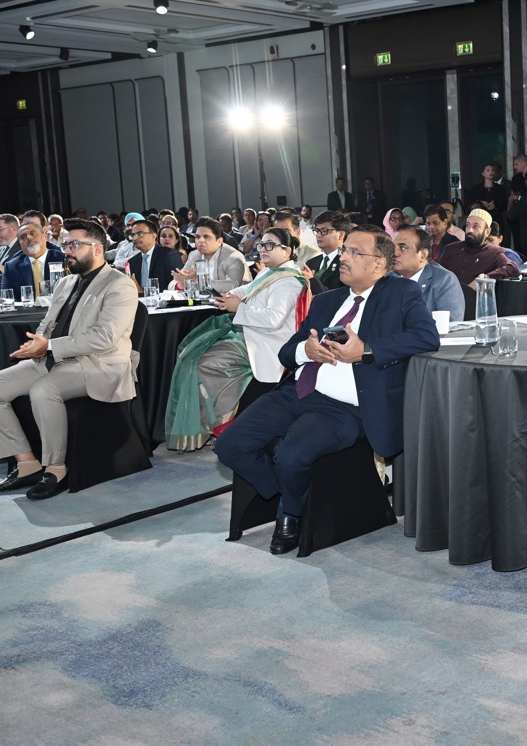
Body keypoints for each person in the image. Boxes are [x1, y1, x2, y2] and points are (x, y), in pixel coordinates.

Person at [214, 225, 440, 555]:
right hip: (298, 392)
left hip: (345, 407)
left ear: (379, 263)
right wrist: (305, 350)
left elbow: (426, 337)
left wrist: (365, 351)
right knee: (230, 445)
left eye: (354, 252)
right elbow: (287, 351)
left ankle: (289, 514)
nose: (343, 257)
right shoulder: (326, 300)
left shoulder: (401, 293)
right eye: (345, 249)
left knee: (290, 454)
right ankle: (290, 494)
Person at [0, 219, 137, 500]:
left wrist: (48, 347)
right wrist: (37, 343)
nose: (67, 251)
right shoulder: (66, 282)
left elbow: (104, 337)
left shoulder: (119, 284)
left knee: (44, 389)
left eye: (74, 245)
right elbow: (47, 324)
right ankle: (27, 463)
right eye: (66, 244)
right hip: (53, 359)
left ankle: (56, 468)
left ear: (97, 249)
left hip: (98, 364)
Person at [166, 227, 311, 452]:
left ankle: (220, 422)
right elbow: (248, 289)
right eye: (262, 244)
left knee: (203, 363)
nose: (263, 249)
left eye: (270, 245)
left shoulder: (289, 281)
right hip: (250, 333)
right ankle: (218, 422)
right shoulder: (270, 272)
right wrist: (231, 295)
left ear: (287, 250)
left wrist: (239, 307)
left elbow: (273, 319)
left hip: (267, 342)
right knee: (191, 350)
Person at [391, 226, 465, 322]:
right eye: (393, 247)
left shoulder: (444, 280)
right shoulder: (387, 280)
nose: (394, 253)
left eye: (402, 248)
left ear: (423, 255)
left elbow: (449, 326)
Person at [439, 209, 520, 287]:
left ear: (487, 232)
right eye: (468, 225)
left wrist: (486, 278)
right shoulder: (451, 249)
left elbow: (512, 268)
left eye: (476, 226)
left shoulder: (493, 252)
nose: (470, 230)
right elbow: (438, 273)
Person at [174, 217, 246, 292]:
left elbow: (232, 285)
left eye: (206, 237)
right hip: (201, 298)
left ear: (219, 241)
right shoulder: (194, 255)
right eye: (198, 237)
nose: (201, 240)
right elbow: (175, 282)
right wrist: (180, 284)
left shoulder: (233, 257)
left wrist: (199, 281)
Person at [3, 222, 64, 300]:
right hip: (28, 308)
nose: (29, 238)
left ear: (45, 236)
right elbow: (6, 298)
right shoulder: (12, 266)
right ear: (20, 244)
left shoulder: (62, 259)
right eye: (23, 237)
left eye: (32, 233)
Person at [128, 218, 183, 288]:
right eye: (133, 235)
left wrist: (143, 291)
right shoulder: (132, 262)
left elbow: (176, 285)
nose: (135, 238)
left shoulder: (169, 255)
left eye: (140, 233)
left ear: (154, 235)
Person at [306, 210, 351, 291]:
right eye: (317, 230)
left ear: (341, 234)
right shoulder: (311, 263)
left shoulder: (348, 263)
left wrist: (312, 281)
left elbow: (342, 294)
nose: (318, 235)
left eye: (324, 231)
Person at [467, 162, 510, 231]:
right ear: (483, 173)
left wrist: (495, 205)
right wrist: (481, 203)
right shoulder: (476, 188)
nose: (491, 172)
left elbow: (504, 204)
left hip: (496, 219)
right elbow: (470, 203)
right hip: (481, 218)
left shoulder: (500, 188)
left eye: (492, 170)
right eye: (488, 170)